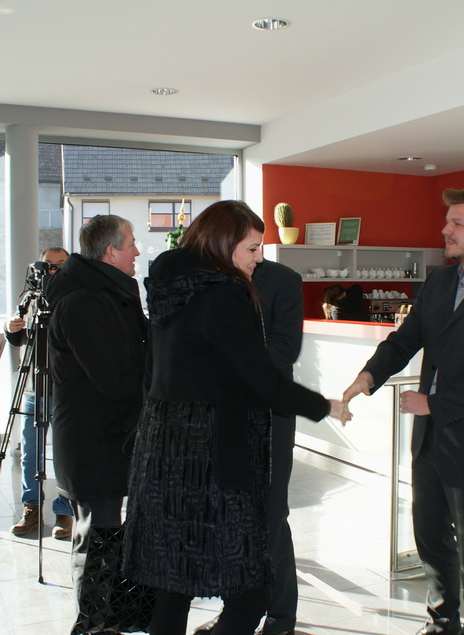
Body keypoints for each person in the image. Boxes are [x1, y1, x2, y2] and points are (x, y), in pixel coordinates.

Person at [124, 200, 350, 635]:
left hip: (164, 451)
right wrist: (325, 406)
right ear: (224, 244)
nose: (259, 257)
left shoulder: (171, 286)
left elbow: (153, 371)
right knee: (251, 592)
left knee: (173, 585)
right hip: (210, 458)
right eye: (251, 248)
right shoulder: (223, 294)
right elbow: (261, 378)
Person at [343, 187, 464, 635]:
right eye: (448, 221)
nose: (445, 230)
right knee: (430, 538)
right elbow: (404, 340)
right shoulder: (438, 283)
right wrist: (367, 377)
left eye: (457, 223)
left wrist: (432, 403)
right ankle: (442, 622)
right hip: (429, 442)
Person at [194, 257, 307, 635]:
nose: (255, 254)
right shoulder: (209, 277)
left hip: (270, 417)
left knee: (270, 517)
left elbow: (285, 349)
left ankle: (277, 619)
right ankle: (241, 613)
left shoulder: (284, 279)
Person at [46, 217, 148, 633]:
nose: (137, 251)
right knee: (99, 543)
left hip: (111, 438)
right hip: (92, 443)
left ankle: (114, 621)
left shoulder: (109, 294)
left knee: (109, 540)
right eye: (132, 243)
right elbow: (116, 377)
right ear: (110, 251)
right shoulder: (85, 303)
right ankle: (93, 627)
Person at [4, 246, 74, 540]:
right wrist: (10, 328)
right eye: (48, 264)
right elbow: (19, 338)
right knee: (30, 454)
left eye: (60, 264)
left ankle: (65, 513)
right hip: (35, 388)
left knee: (65, 455)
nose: (52, 270)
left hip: (66, 388)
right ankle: (30, 508)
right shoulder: (30, 297)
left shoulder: (75, 298)